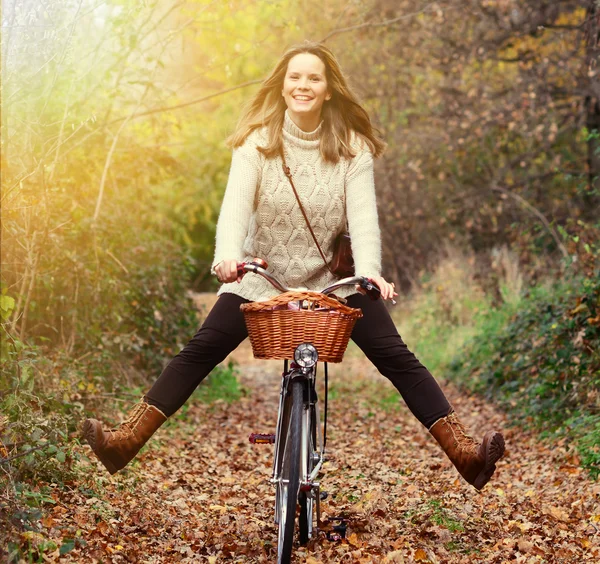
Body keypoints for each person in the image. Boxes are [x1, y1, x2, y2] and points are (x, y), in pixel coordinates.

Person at [83, 41, 505, 490]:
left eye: (314, 78)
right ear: (283, 86)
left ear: (328, 90)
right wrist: (227, 257)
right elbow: (234, 211)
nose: (303, 85)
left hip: (333, 283)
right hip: (262, 279)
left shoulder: (352, 148)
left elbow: (364, 219)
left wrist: (372, 271)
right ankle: (125, 441)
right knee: (200, 349)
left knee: (396, 357)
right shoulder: (256, 144)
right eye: (295, 77)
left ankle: (464, 454)